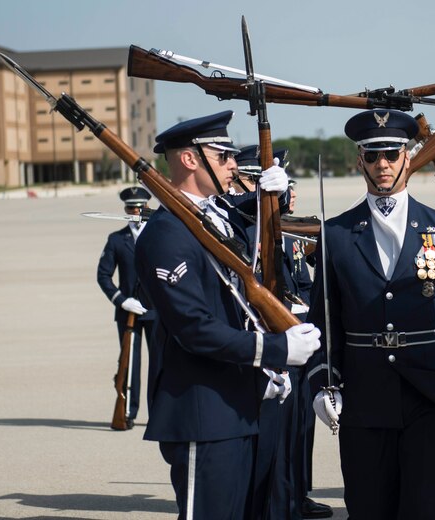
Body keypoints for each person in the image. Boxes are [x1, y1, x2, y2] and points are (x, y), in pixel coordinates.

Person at [134, 111, 321, 519]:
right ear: (189, 160)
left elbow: (246, 217)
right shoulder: (166, 234)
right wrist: (275, 348)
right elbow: (194, 329)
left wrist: (272, 195)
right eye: (222, 156)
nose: (234, 164)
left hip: (243, 405)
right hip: (205, 412)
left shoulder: (212, 216)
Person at [307, 109, 435, 519]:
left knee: (422, 508)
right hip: (364, 395)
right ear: (359, 161)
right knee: (367, 507)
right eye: (372, 156)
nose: (382, 165)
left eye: (391, 153)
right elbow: (322, 320)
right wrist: (322, 382)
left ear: (408, 157)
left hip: (432, 393)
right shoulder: (335, 234)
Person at [235, 146, 332, 520]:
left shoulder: (289, 231)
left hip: (300, 335)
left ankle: (296, 493)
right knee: (275, 429)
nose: (290, 193)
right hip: (271, 338)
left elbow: (301, 284)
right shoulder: (249, 228)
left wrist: (308, 314)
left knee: (301, 426)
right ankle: (278, 500)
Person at [97, 186, 156, 430]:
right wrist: (122, 300)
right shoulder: (116, 239)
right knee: (128, 365)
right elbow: (103, 275)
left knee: (159, 365)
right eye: (130, 207)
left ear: (146, 208)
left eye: (139, 207)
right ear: (125, 209)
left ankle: (158, 414)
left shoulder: (158, 236)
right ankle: (128, 411)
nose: (135, 211)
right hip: (128, 311)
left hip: (156, 311)